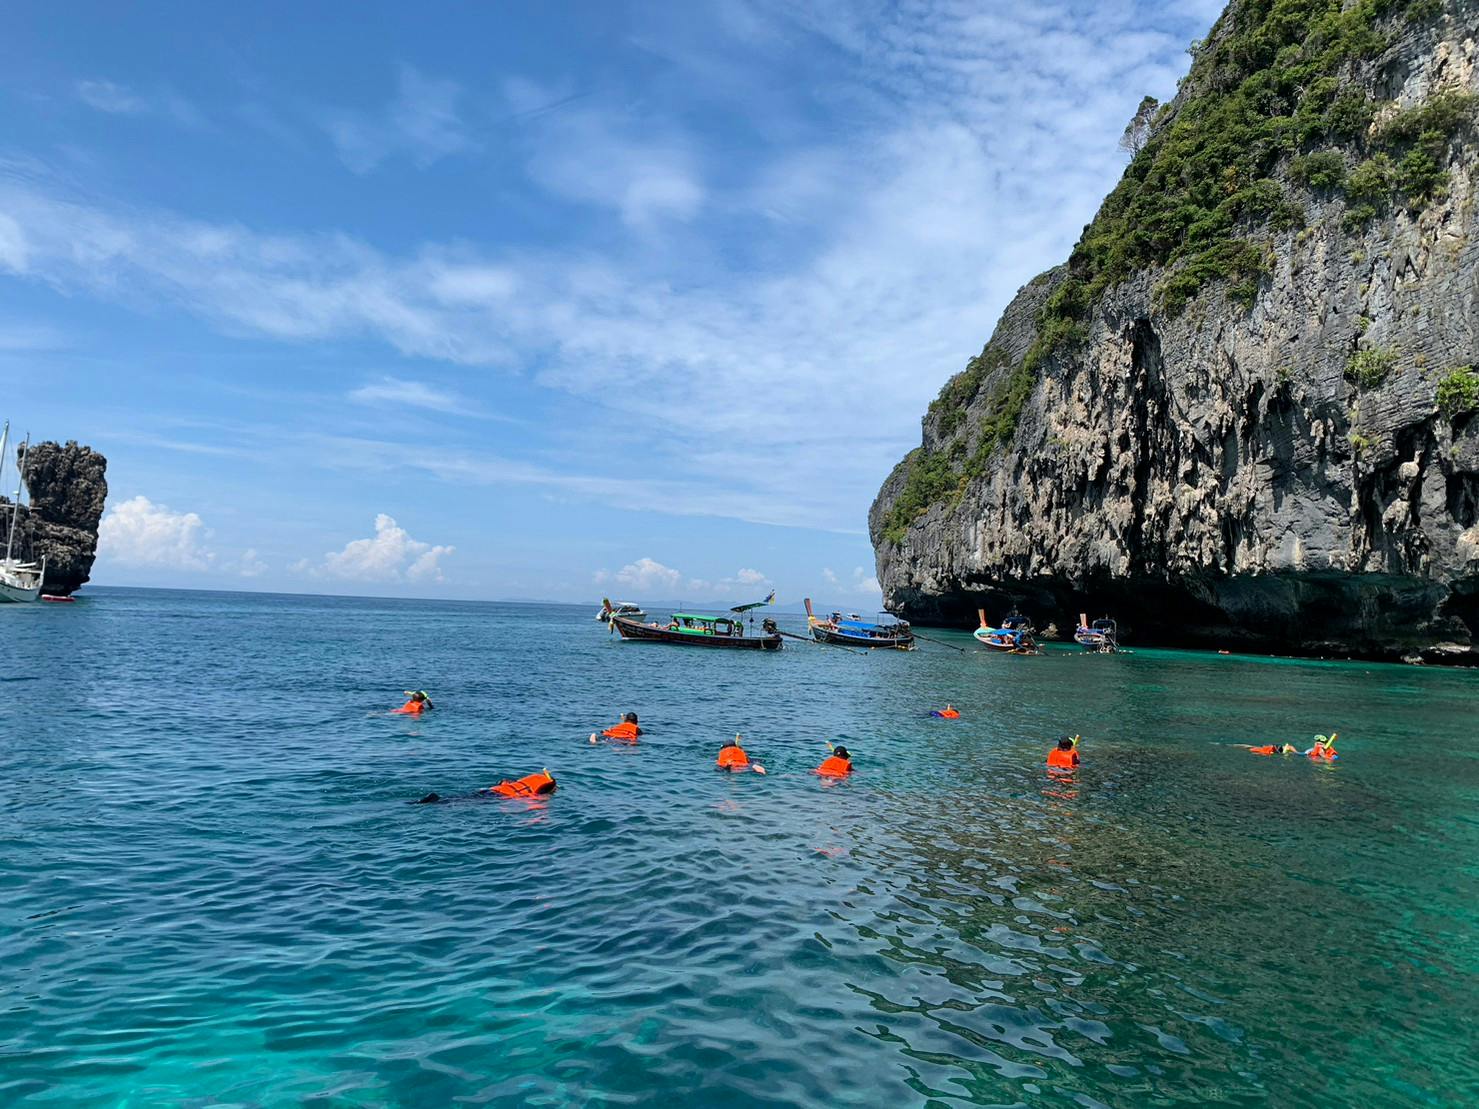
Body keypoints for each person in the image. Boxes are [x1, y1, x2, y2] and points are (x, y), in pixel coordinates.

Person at [488, 769, 557, 797]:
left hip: (493, 790)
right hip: (502, 796)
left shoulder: (536, 776)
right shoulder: (535, 795)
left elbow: (503, 782)